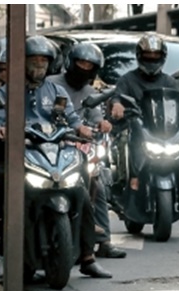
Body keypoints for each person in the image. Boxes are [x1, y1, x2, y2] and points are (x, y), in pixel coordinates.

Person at [0, 35, 111, 279]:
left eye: (43, 61)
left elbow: (72, 118)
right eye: (33, 60)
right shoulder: (8, 91)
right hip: (20, 153)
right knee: (1, 186)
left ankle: (88, 256)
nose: (39, 65)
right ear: (22, 62)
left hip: (54, 152)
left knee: (82, 193)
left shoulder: (55, 90)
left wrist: (83, 129)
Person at [110, 33, 179, 236]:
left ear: (162, 57)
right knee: (121, 144)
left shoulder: (170, 82)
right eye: (148, 56)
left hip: (166, 133)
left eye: (155, 56)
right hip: (137, 130)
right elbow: (116, 98)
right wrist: (118, 105)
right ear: (140, 56)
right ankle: (121, 189)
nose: (152, 60)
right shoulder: (127, 80)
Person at [48, 42, 128, 260]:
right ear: (70, 62)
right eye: (80, 62)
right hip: (49, 147)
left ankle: (103, 242)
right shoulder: (51, 85)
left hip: (77, 150)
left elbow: (95, 117)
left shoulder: (90, 92)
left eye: (89, 65)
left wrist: (103, 124)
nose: (84, 68)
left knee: (98, 185)